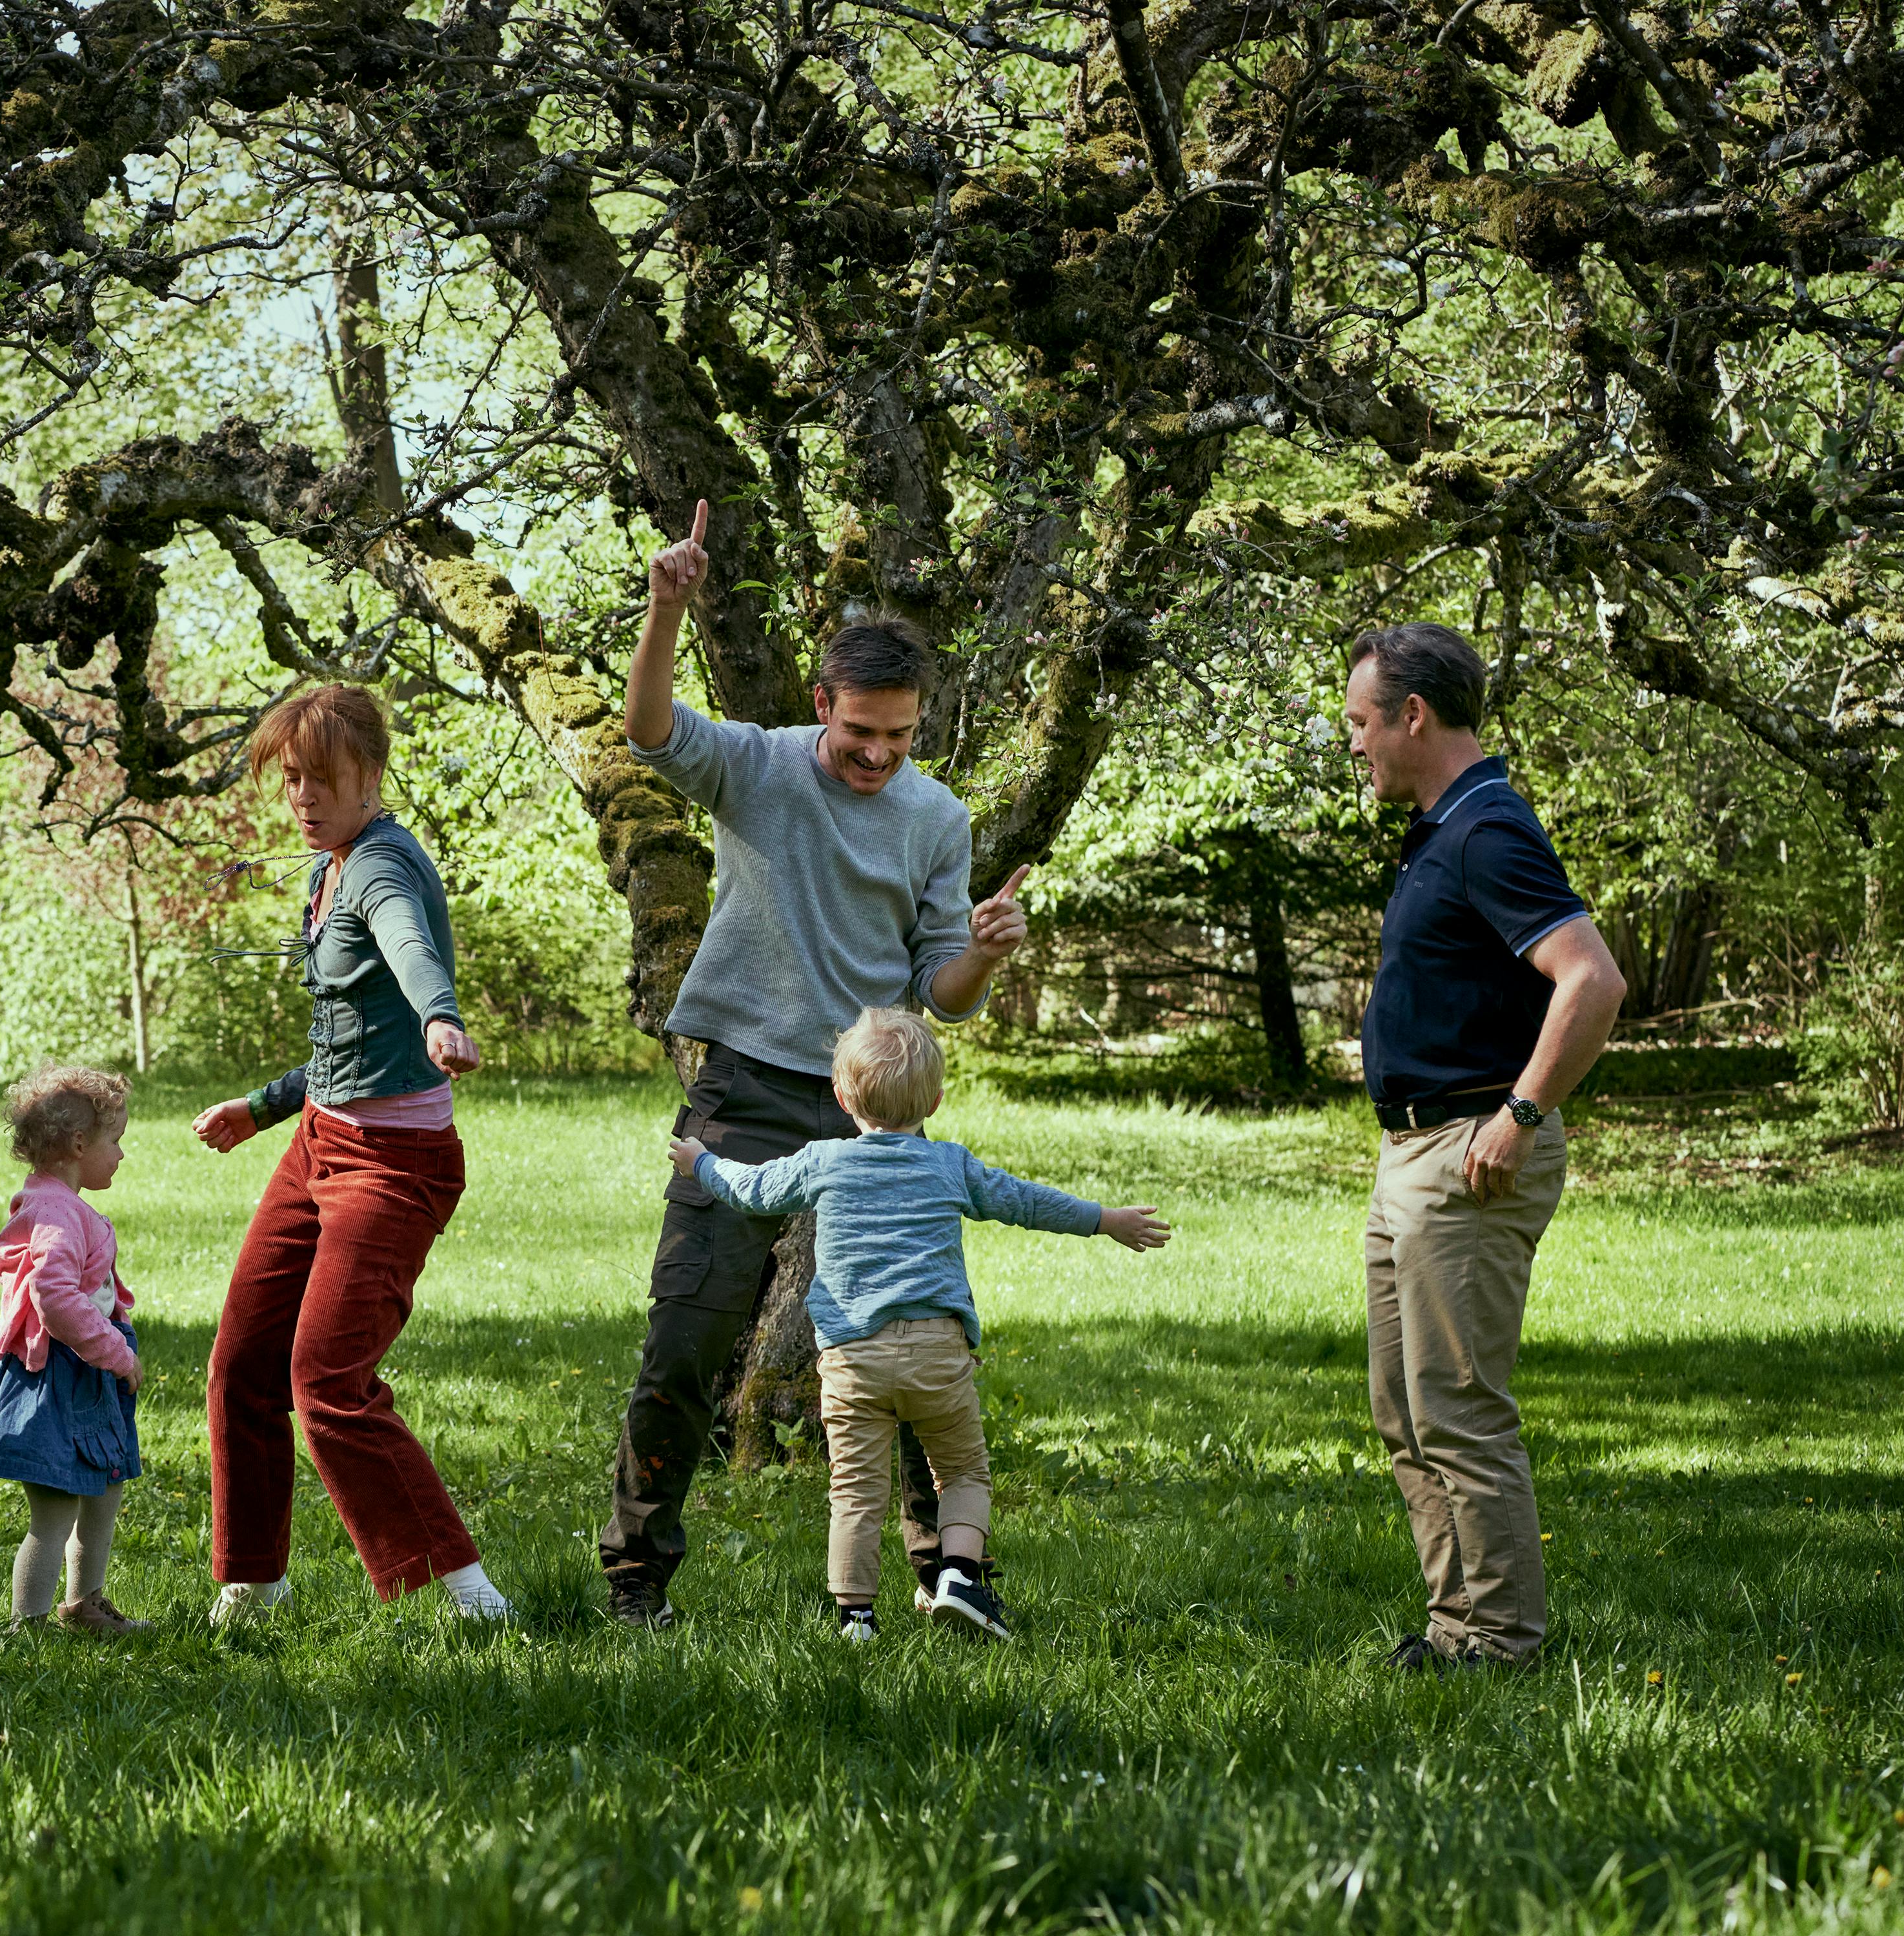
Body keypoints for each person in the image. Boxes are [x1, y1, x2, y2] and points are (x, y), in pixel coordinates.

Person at [603, 499, 1035, 1629]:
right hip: (746, 1086)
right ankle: (636, 1577)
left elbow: (940, 987)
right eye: (860, 735)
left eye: (901, 737)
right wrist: (665, 610)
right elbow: (648, 730)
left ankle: (947, 1576)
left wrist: (983, 955)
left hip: (877, 1104)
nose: (879, 756)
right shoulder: (756, 767)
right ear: (819, 706)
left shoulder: (935, 819)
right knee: (688, 1335)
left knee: (911, 1334)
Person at [673, 1009, 1171, 1642]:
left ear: (841, 1098)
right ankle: (959, 1577)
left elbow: (752, 1189)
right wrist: (1104, 1219)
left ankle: (856, 1619)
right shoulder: (949, 1165)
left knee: (855, 1494)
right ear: (934, 1101)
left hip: (852, 1358)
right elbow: (1025, 1201)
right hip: (937, 1352)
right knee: (962, 1474)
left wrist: (701, 1163)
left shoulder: (824, 1162)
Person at [190, 684, 513, 1624]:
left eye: (321, 779)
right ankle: (253, 1583)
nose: (302, 797)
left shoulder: (378, 867)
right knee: (242, 1362)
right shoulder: (326, 868)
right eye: (291, 778)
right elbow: (349, 1045)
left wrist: (441, 1016)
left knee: (327, 1380)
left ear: (371, 774)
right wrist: (262, 1108)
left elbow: (409, 946)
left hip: (395, 1164)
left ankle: (465, 1598)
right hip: (318, 1144)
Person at [1342, 622, 1625, 1672]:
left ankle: (1502, 1644)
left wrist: (1522, 1114)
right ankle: (1455, 1626)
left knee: (1457, 1409)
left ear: (1413, 715)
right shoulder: (1442, 829)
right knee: (1405, 1410)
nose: (1354, 744)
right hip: (1414, 1153)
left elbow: (1591, 978)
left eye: (1361, 723)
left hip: (1469, 1149)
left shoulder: (1485, 829)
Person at [0, 1065, 150, 1637]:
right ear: (79, 1145)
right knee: (55, 1509)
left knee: (104, 1490)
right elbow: (53, 1295)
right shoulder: (56, 1213)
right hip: (62, 1378)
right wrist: (115, 1351)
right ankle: (26, 1626)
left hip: (84, 1375)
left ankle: (85, 1605)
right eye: (116, 1141)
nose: (121, 1154)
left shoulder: (56, 1202)